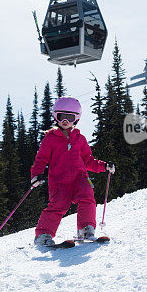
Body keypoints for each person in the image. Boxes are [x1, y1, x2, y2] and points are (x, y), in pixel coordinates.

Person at [30, 96, 115, 246]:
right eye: (62, 117)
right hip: (59, 181)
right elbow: (41, 158)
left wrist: (104, 166)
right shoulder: (50, 139)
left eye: (70, 117)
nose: (65, 121)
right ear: (56, 116)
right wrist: (36, 174)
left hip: (79, 177)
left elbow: (88, 160)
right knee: (58, 204)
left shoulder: (79, 139)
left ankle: (85, 229)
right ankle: (43, 235)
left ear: (76, 118)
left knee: (87, 195)